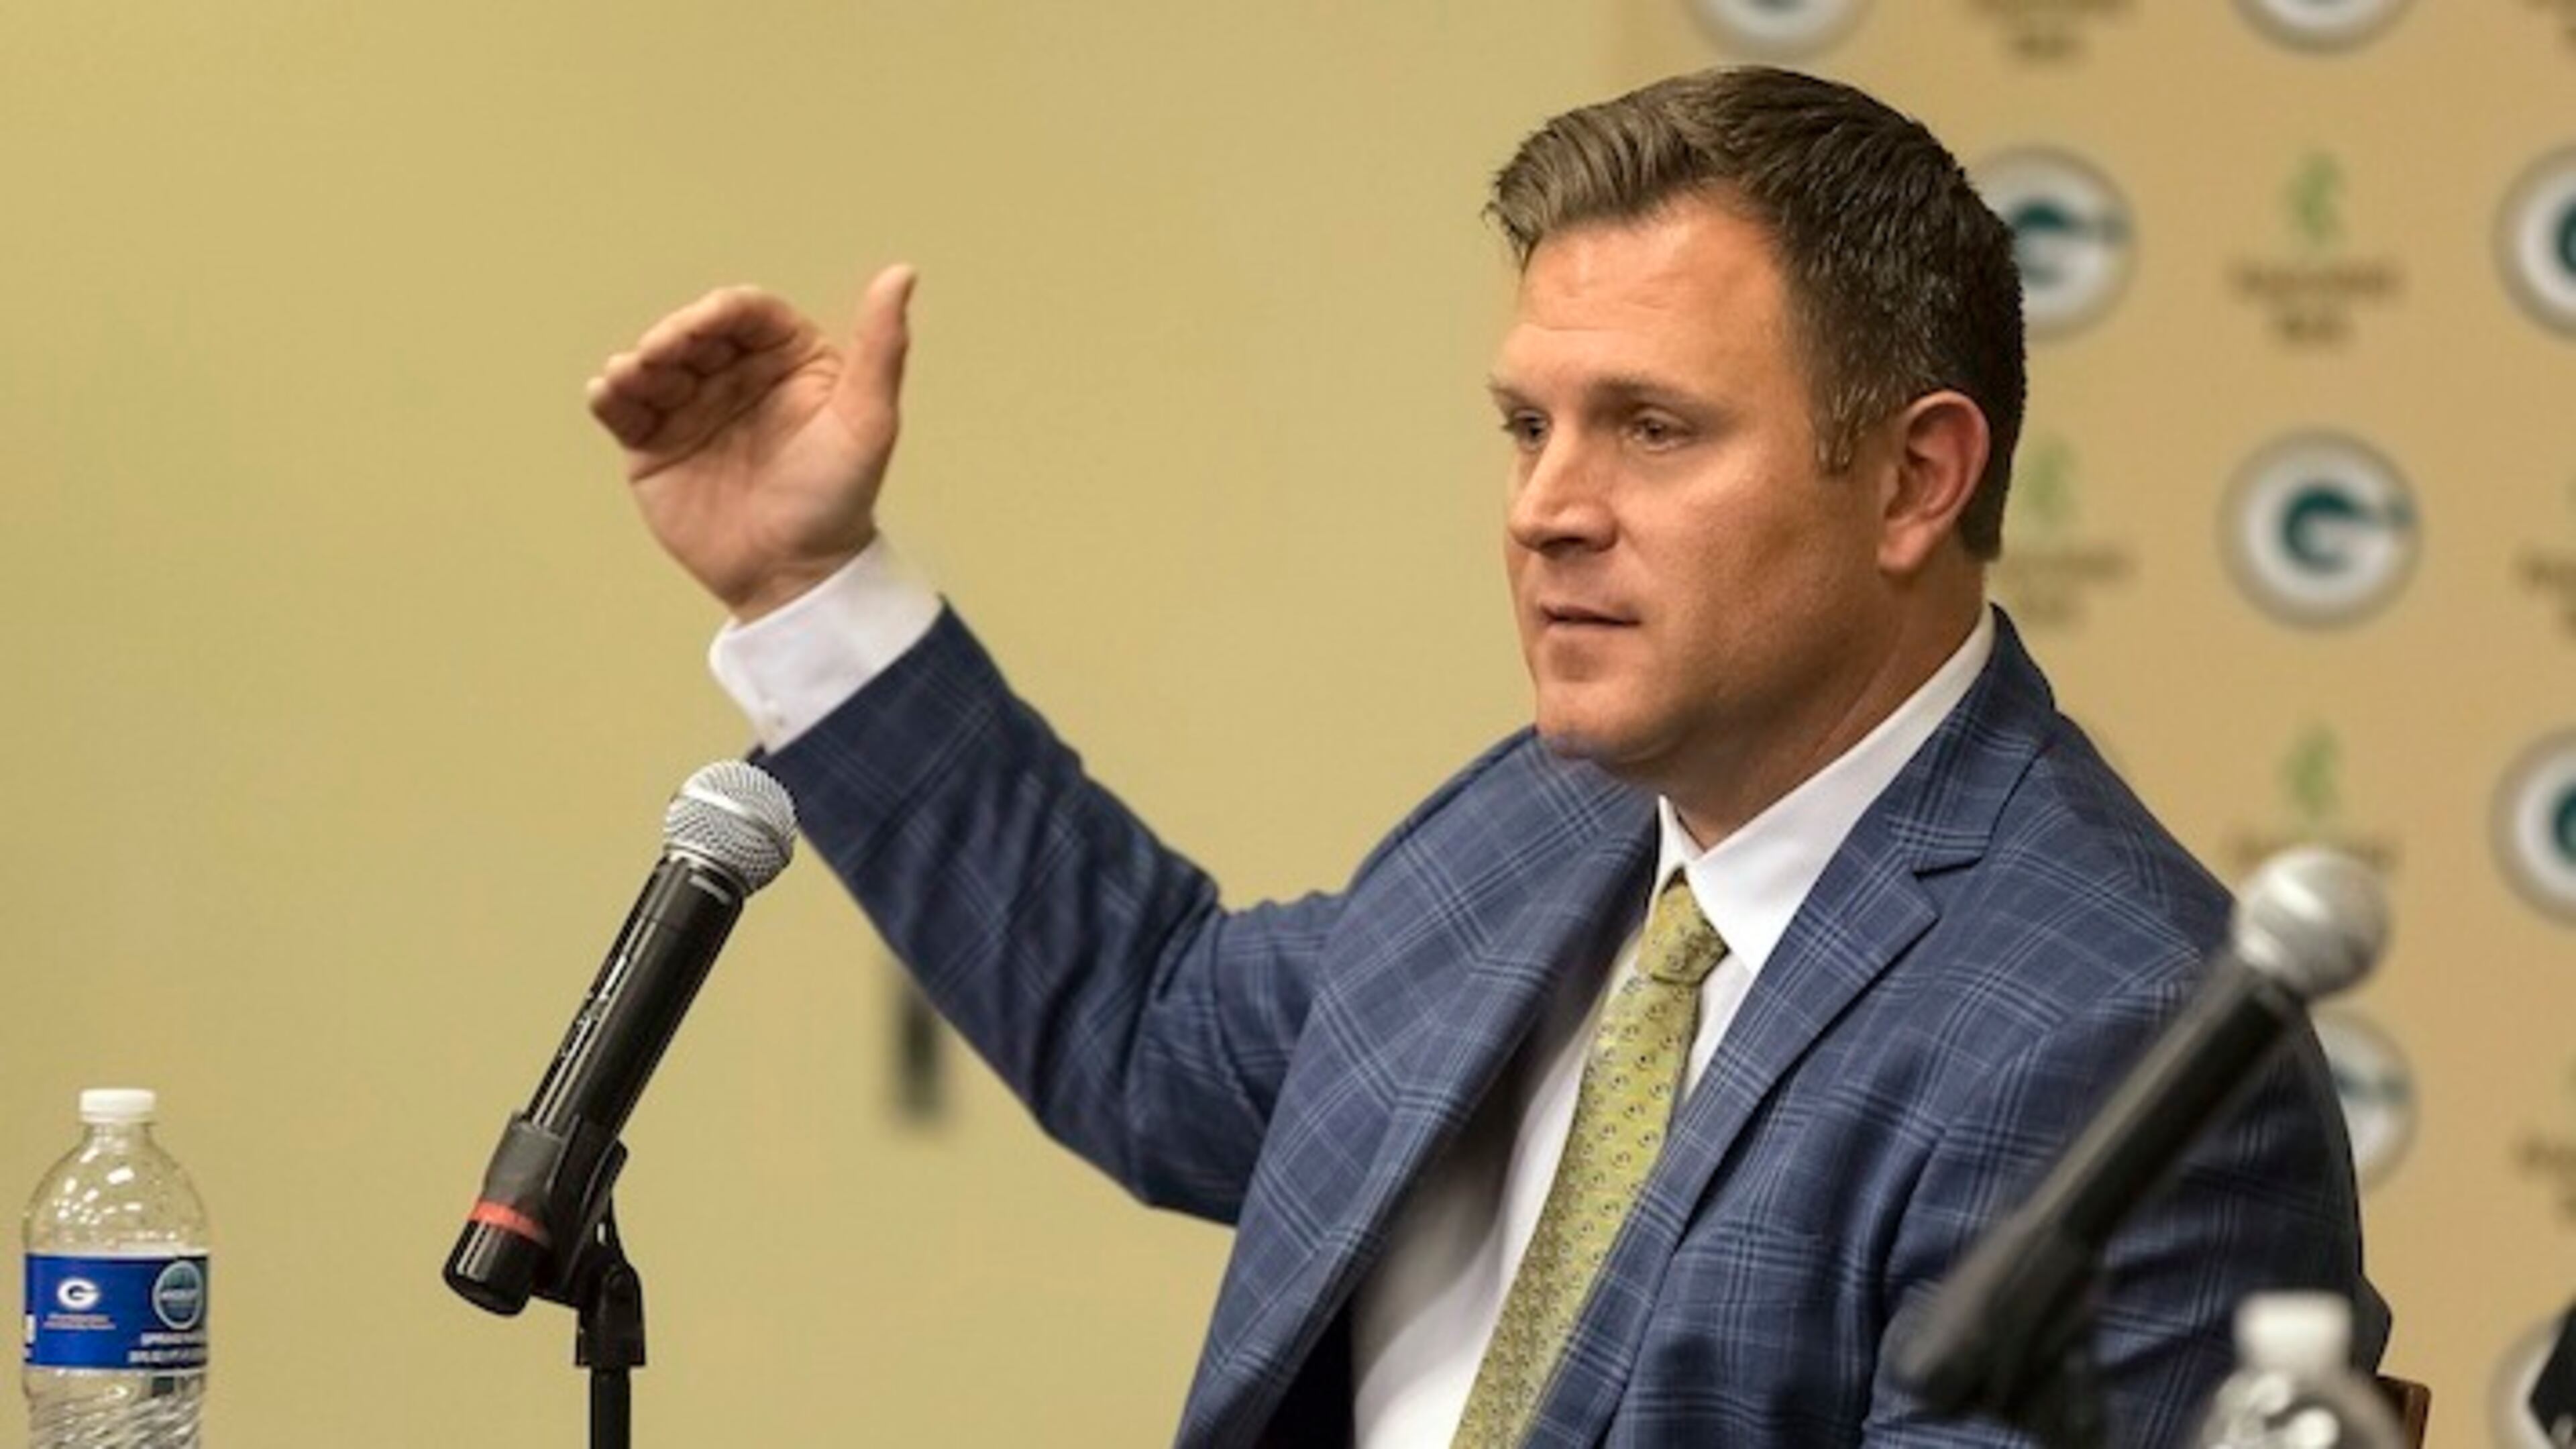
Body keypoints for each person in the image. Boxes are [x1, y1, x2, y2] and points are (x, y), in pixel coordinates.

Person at [586, 66, 2385, 1448]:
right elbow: (1152, 1029)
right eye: (1527, 425)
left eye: (1652, 430)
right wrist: (807, 584)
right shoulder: (1548, 824)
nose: (1546, 511)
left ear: (1918, 476)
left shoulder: (2120, 1041)